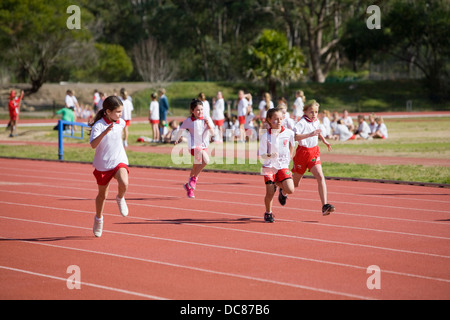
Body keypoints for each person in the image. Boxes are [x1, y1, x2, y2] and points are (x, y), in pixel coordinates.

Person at [89, 96, 130, 237]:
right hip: (103, 164)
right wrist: (105, 132)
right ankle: (98, 219)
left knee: (124, 182)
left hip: (118, 160)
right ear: (107, 111)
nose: (121, 114)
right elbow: (93, 145)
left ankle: (120, 197)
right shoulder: (99, 126)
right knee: (102, 195)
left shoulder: (121, 123)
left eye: (121, 111)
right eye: (118, 112)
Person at [292, 100, 335, 216]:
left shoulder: (316, 121)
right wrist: (309, 134)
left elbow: (318, 131)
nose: (314, 114)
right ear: (305, 111)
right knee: (294, 185)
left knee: (320, 176)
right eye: (311, 112)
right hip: (302, 153)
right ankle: (283, 190)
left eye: (316, 112)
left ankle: (324, 206)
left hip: (314, 152)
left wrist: (324, 141)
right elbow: (294, 137)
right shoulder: (301, 123)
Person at [259, 107, 295, 223]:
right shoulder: (266, 136)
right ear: (269, 120)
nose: (279, 121)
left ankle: (282, 191)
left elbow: (292, 145)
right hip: (269, 167)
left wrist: (289, 157)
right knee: (269, 192)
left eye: (281, 119)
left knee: (290, 189)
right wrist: (270, 155)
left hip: (283, 165)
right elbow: (261, 155)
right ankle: (268, 213)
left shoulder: (288, 133)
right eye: (275, 119)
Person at [174, 99, 214, 199]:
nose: (200, 112)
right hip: (193, 146)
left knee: (195, 167)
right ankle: (194, 179)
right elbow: (181, 130)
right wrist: (176, 139)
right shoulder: (189, 121)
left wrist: (209, 125)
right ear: (192, 111)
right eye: (197, 110)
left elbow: (213, 133)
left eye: (201, 109)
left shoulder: (207, 118)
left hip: (203, 146)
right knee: (206, 160)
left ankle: (189, 187)